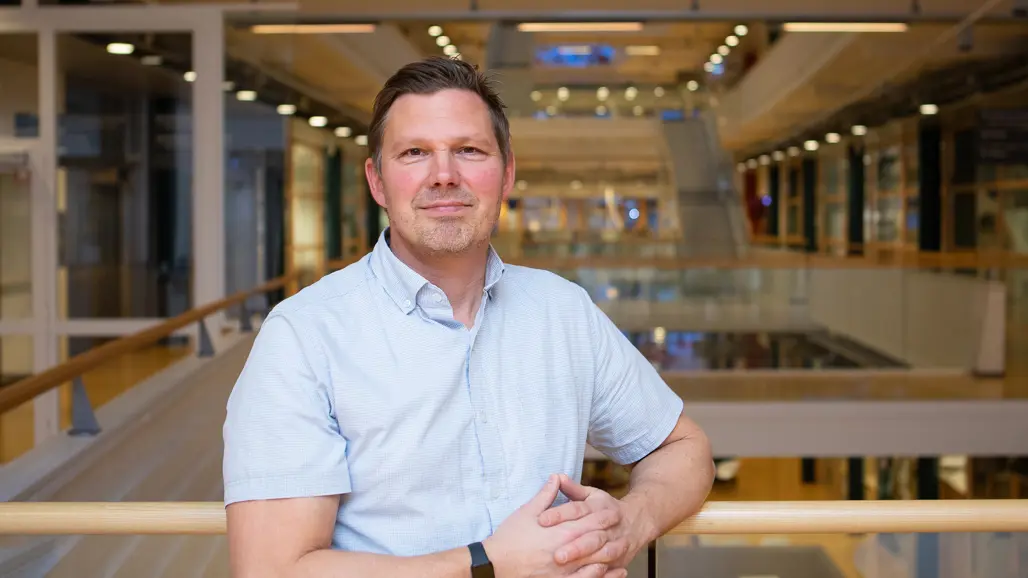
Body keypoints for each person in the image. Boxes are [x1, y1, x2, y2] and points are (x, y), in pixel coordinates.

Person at [222, 56, 714, 578]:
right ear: (377, 181)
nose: (443, 175)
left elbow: (684, 448)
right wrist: (488, 566)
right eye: (414, 153)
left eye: (469, 150)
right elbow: (271, 570)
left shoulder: (561, 311)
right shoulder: (304, 335)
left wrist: (631, 522)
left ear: (506, 175)